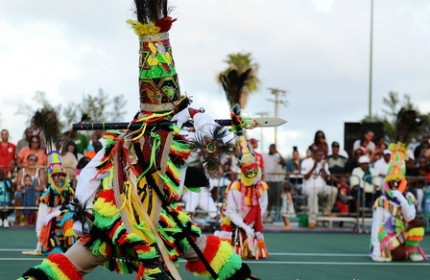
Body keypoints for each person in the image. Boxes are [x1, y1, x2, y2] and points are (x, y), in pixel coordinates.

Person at [18, 3, 262, 279]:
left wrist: (81, 215)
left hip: (119, 220)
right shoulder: (180, 134)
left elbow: (88, 175)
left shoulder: (125, 138)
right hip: (149, 223)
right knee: (206, 253)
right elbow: (219, 143)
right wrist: (206, 119)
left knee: (68, 264)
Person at [216, 106, 269, 259]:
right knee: (232, 253)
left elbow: (263, 207)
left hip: (252, 222)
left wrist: (253, 224)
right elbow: (231, 212)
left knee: (253, 252)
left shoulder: (262, 187)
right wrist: (245, 226)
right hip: (236, 222)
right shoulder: (235, 188)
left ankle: (250, 241)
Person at [370, 143, 425, 262]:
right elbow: (376, 224)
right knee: (400, 255)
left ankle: (410, 252)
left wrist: (402, 200)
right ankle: (384, 250)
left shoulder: (409, 196)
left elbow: (410, 216)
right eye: (392, 181)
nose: (394, 184)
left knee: (418, 224)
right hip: (386, 235)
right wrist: (375, 248)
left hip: (402, 232)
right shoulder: (382, 201)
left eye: (398, 181)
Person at [22, 150, 77, 255]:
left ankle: (71, 247)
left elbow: (72, 208)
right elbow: (41, 222)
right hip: (52, 227)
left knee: (69, 219)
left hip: (66, 223)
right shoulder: (46, 196)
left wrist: (55, 214)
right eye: (55, 176)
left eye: (61, 176)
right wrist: (39, 245)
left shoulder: (70, 192)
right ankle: (45, 246)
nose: (58, 179)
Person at [301, 148, 337, 228]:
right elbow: (305, 176)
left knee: (333, 190)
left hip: (321, 187)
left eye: (322, 156)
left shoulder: (324, 163)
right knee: (313, 194)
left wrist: (323, 168)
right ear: (313, 155)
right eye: (319, 156)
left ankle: (326, 212)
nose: (321, 158)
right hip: (308, 187)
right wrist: (313, 167)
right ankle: (312, 220)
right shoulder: (306, 162)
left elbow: (327, 178)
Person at [14, 154, 46, 225]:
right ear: (27, 161)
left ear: (36, 161)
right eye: (30, 159)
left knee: (38, 195)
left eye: (34, 160)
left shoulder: (40, 171)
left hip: (35, 190)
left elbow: (43, 185)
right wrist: (20, 189)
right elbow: (18, 184)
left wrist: (38, 188)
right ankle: (18, 216)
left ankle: (36, 219)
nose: (32, 161)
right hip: (24, 190)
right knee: (18, 195)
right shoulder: (22, 171)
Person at [262, 143, 286, 223]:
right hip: (265, 180)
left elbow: (284, 163)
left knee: (271, 199)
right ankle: (263, 215)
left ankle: (267, 215)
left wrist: (278, 152)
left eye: (274, 148)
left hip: (273, 180)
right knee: (264, 198)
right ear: (269, 148)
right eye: (272, 148)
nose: (273, 149)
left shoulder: (276, 157)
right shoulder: (264, 155)